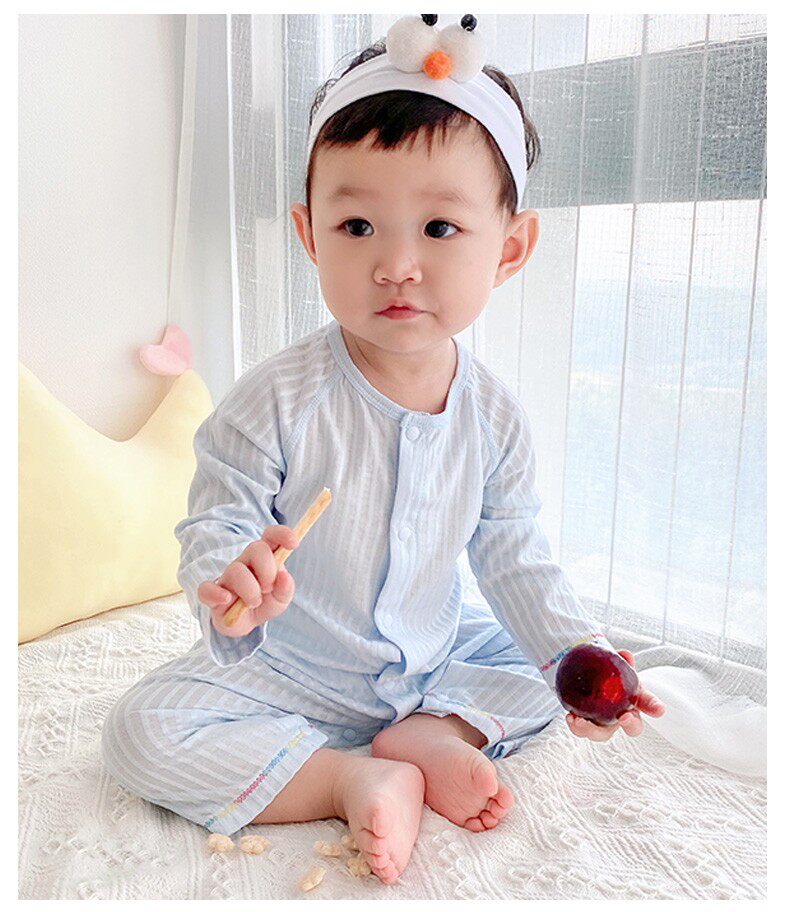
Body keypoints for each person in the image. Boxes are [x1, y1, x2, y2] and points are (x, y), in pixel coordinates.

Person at [101, 14, 664, 886]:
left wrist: (579, 663)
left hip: (432, 656)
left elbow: (515, 558)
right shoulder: (276, 398)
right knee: (138, 731)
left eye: (439, 229)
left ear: (509, 248)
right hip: (293, 668)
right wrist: (232, 581)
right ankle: (346, 776)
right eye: (358, 226)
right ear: (309, 235)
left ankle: (432, 732)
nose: (397, 264)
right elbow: (218, 519)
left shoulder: (496, 417)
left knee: (541, 663)